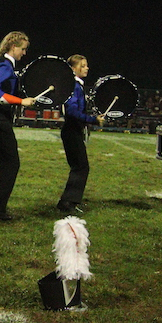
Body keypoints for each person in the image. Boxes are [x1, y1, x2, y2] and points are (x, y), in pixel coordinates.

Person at [0, 31, 36, 220]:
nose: (24, 53)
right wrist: (21, 101)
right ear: (13, 47)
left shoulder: (4, 65)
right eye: (23, 49)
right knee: (11, 164)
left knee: (7, 164)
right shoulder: (4, 65)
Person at [57, 55, 104, 213]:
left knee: (79, 166)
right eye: (82, 66)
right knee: (81, 166)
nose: (86, 68)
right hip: (71, 130)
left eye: (86, 65)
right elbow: (72, 111)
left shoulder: (76, 86)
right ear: (73, 69)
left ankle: (67, 201)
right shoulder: (73, 86)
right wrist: (93, 120)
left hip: (73, 130)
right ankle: (68, 202)